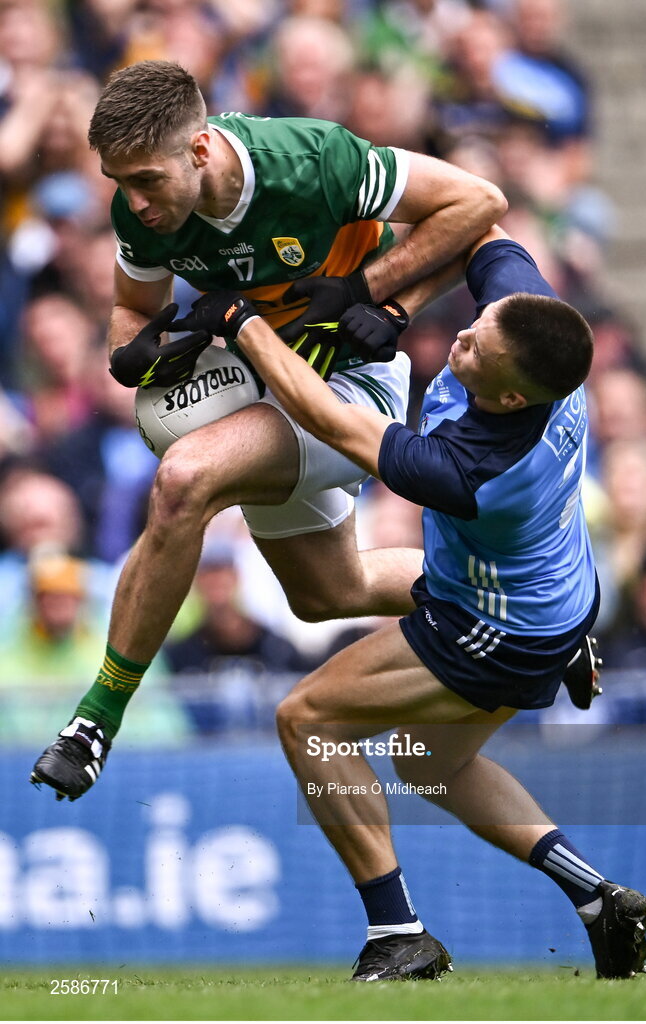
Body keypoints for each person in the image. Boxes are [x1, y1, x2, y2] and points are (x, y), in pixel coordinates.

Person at [187, 224, 646, 981]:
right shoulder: (531, 326)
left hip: (493, 626)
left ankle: (397, 932)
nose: (463, 338)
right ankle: (597, 897)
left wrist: (240, 322)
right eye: (476, 324)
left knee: (309, 721)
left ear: (510, 395)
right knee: (427, 757)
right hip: (553, 598)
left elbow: (329, 418)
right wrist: (381, 259)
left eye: (475, 350)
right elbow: (483, 224)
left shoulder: (470, 467)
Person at [30, 59, 506, 800]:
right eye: (117, 182)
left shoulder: (314, 163)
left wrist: (370, 292)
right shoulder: (141, 208)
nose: (133, 202)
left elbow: (479, 203)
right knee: (328, 591)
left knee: (186, 478)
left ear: (200, 149)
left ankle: (94, 721)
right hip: (256, 369)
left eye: (146, 180)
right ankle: (512, 603)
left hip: (352, 385)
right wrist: (135, 350)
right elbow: (132, 310)